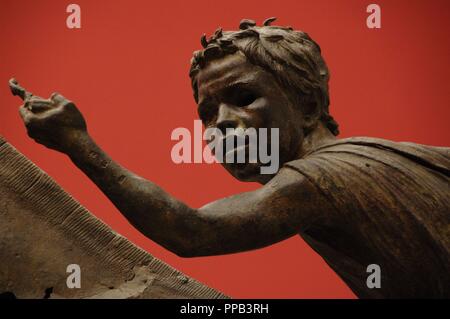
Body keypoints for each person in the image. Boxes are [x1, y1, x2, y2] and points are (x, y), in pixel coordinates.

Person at [10, 18, 449, 298]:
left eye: (244, 98)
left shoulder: (319, 179)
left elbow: (193, 231)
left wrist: (75, 143)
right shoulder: (410, 162)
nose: (222, 123)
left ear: (308, 106)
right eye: (207, 113)